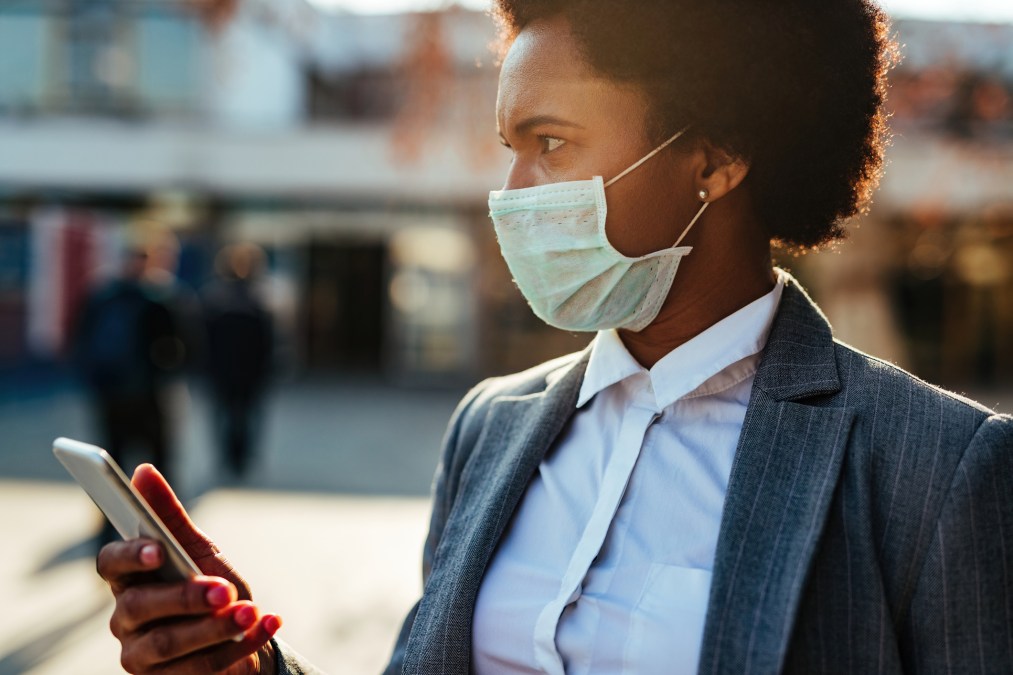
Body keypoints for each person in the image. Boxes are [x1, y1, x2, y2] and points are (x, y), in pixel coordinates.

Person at [96, 1, 1013, 673]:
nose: (514, 188)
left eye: (551, 142)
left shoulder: (938, 468)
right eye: (510, 145)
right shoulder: (489, 426)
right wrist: (246, 661)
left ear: (716, 156)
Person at [72, 245, 183, 547]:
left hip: (112, 394)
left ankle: (110, 528)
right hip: (147, 395)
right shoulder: (160, 297)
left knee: (113, 463)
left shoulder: (103, 295)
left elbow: (80, 339)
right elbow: (181, 346)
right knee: (154, 465)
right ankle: (159, 530)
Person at [201, 243, 274, 478]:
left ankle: (241, 457)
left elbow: (269, 339)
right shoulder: (219, 296)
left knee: (245, 415)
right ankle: (229, 456)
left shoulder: (258, 295)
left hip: (249, 370)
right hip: (224, 369)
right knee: (226, 414)